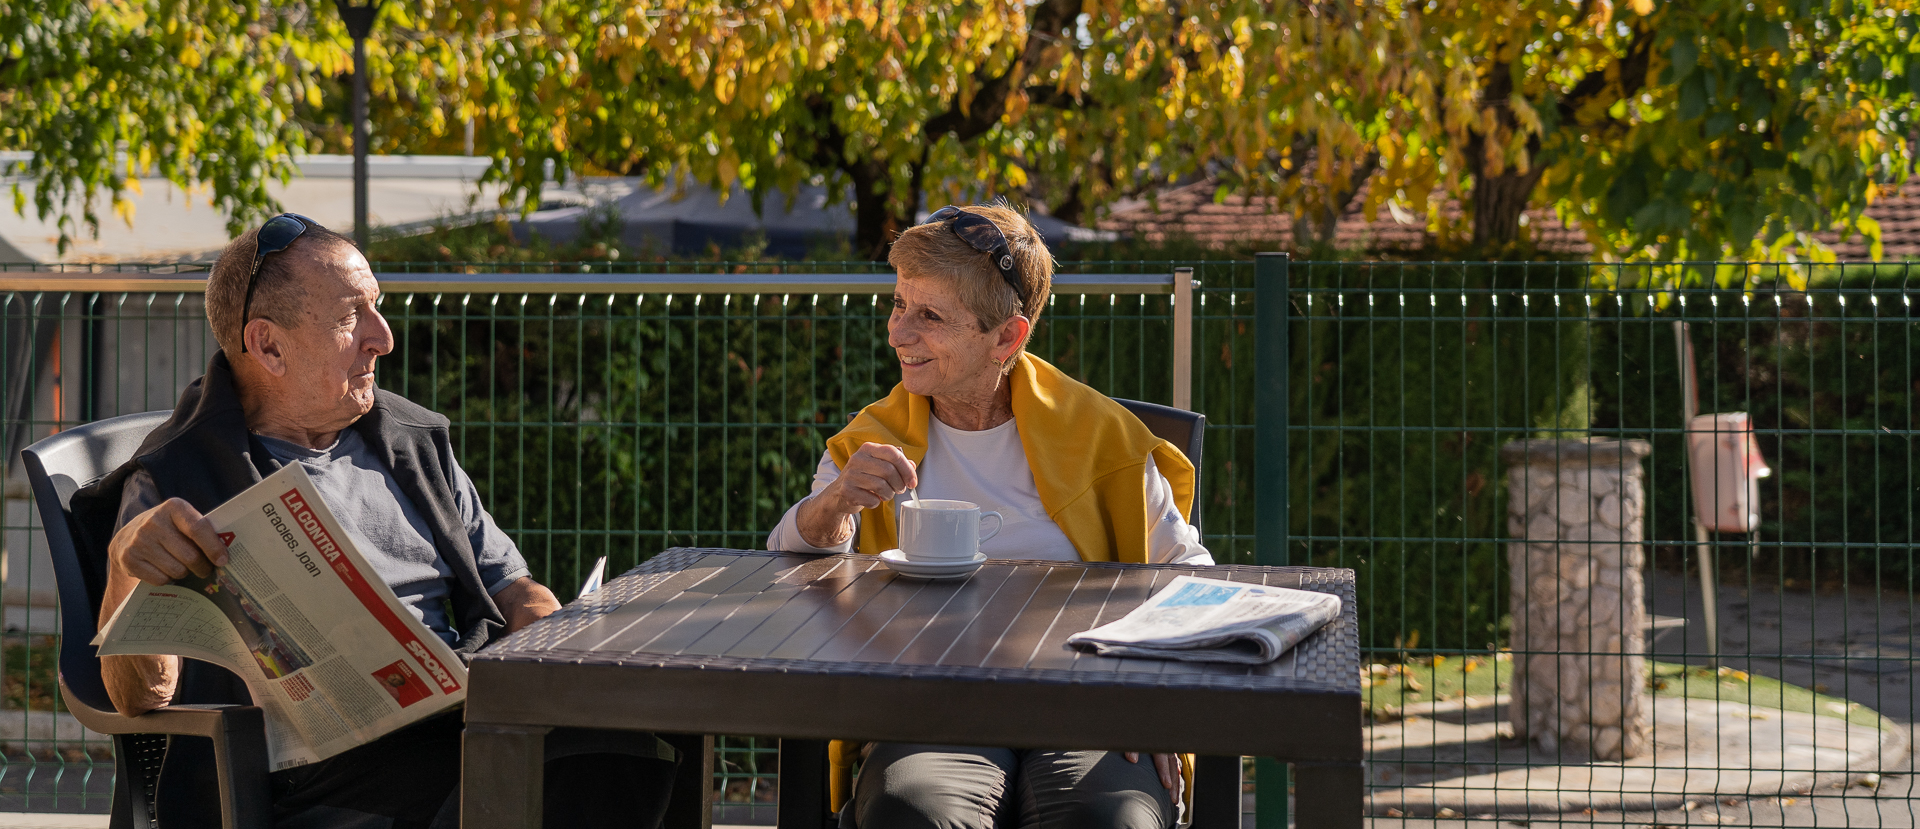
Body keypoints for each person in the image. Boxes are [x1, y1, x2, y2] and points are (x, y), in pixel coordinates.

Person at [72, 215, 680, 829]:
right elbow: (139, 696)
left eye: (378, 309)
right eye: (350, 317)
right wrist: (128, 565)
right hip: (307, 777)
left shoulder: (411, 443)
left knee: (644, 733)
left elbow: (514, 588)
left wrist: (553, 649)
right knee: (577, 770)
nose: (383, 338)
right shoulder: (174, 478)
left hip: (463, 716)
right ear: (268, 346)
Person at [766, 204, 1212, 829]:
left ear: (1007, 336)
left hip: (1087, 707)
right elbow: (791, 573)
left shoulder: (1102, 439)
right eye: (899, 305)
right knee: (912, 814)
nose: (897, 334)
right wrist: (834, 504)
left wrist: (1158, 699)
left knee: (1109, 821)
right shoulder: (870, 441)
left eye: (930, 316)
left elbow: (1191, 578)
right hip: (929, 708)